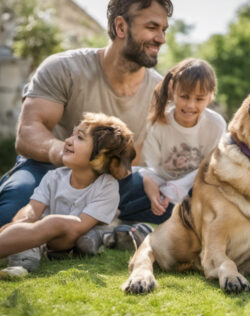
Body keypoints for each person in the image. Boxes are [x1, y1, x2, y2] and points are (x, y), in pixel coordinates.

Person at [0, 0, 173, 229]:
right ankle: (93, 225)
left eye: (163, 30)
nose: (161, 38)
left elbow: (137, 159)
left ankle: (104, 225)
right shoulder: (63, 68)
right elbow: (28, 134)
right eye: (152, 28)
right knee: (11, 211)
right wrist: (69, 154)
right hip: (49, 170)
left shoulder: (160, 93)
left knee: (176, 199)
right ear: (121, 27)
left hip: (112, 180)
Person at [0, 113, 136, 277]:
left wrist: (47, 228)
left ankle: (116, 236)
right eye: (72, 134)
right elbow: (32, 209)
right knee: (29, 228)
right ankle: (21, 265)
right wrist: (21, 223)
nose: (67, 141)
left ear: (101, 156)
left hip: (74, 235)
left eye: (79, 137)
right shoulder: (53, 177)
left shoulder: (106, 187)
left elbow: (76, 228)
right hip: (45, 234)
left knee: (78, 236)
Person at [136, 58, 226, 219]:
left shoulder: (216, 125)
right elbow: (151, 167)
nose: (191, 105)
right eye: (184, 96)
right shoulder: (157, 124)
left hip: (197, 188)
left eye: (199, 99)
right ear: (173, 91)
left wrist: (175, 190)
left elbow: (210, 169)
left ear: (210, 96)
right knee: (133, 181)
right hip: (162, 186)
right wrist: (150, 183)